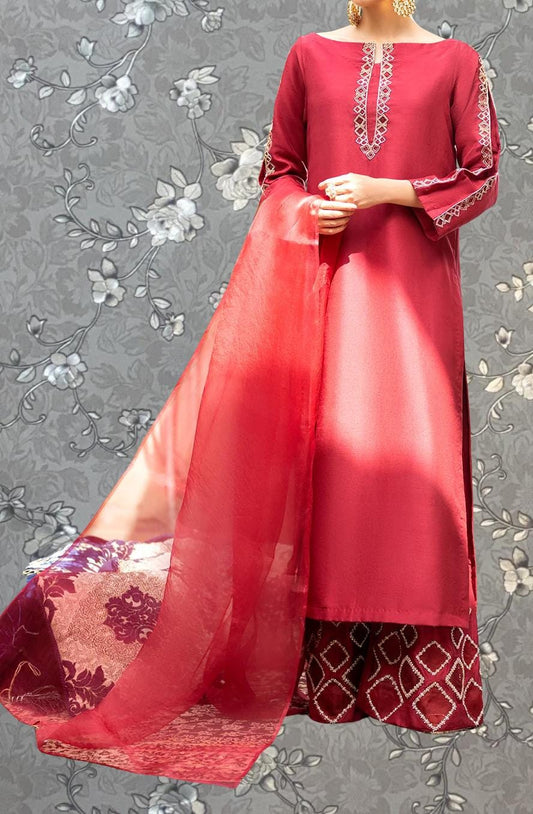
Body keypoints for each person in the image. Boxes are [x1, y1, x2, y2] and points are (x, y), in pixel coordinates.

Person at [0, 0, 501, 790]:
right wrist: (311, 209)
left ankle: (400, 676)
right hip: (320, 286)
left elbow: (479, 181)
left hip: (412, 302)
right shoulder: (309, 55)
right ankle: (308, 670)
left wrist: (385, 189)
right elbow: (280, 171)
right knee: (320, 463)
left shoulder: (454, 62)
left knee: (409, 469)